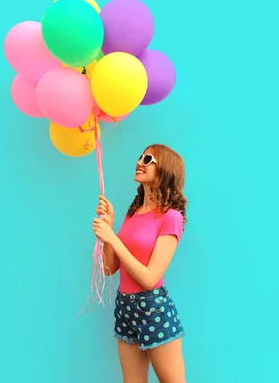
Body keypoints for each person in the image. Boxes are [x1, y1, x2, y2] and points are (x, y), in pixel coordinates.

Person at [92, 144, 188, 383]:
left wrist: (113, 237)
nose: (139, 162)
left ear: (165, 170)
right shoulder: (133, 212)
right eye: (140, 157)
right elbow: (109, 268)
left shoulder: (171, 217)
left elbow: (149, 278)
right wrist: (109, 231)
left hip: (153, 307)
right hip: (124, 307)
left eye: (148, 159)